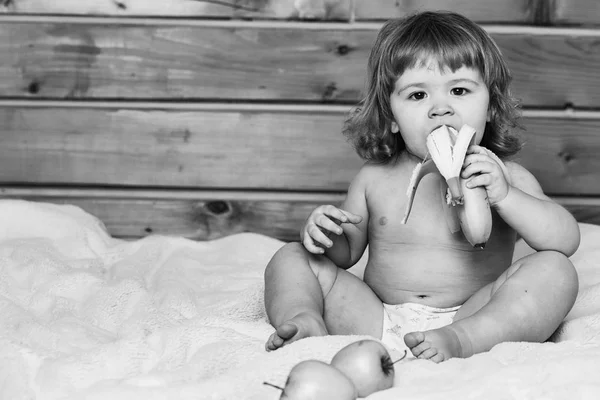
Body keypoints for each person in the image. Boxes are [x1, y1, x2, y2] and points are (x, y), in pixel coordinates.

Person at [263, 10, 580, 362]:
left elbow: (564, 240)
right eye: (417, 96)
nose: (440, 109)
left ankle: (464, 340)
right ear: (391, 116)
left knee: (555, 270)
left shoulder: (506, 176)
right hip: (374, 317)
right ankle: (304, 319)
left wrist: (506, 196)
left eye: (459, 90)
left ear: (491, 105)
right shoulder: (374, 178)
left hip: (471, 314)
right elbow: (345, 255)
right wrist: (327, 232)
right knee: (292, 257)